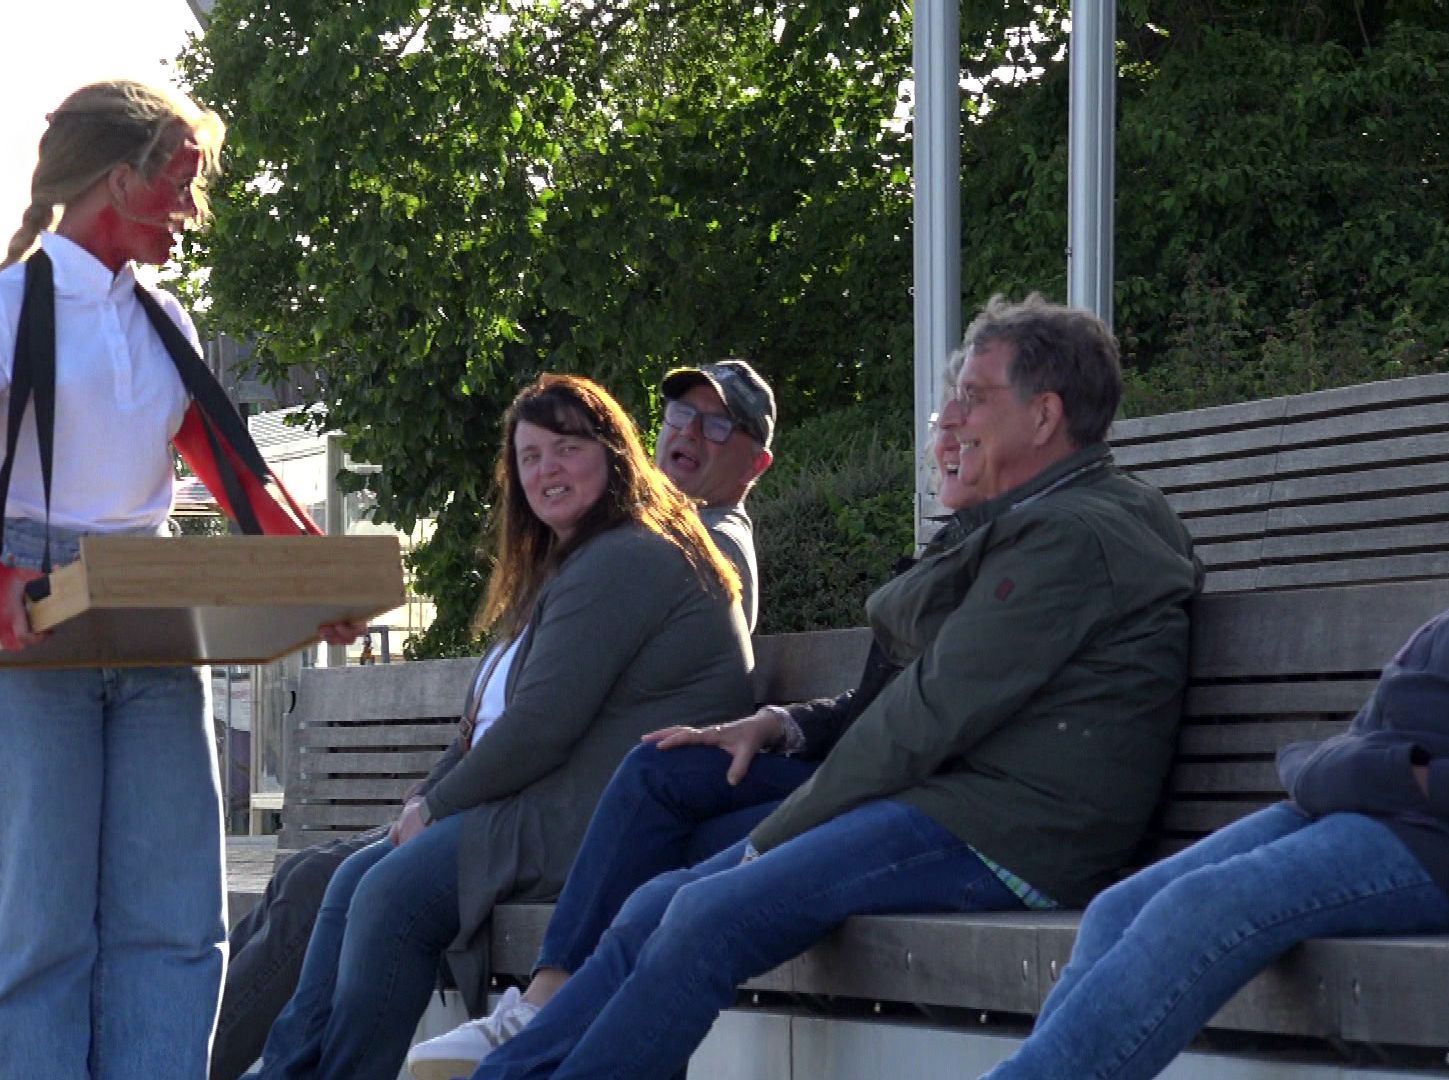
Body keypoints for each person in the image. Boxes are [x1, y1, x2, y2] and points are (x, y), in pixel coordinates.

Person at [456, 294, 1202, 1080]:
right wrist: (786, 730)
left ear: (1044, 415)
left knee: (705, 914)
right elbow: (907, 703)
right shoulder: (1034, 519)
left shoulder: (1074, 537)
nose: (947, 418)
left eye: (972, 398)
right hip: (954, 799)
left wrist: (773, 839)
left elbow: (923, 717)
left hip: (1014, 834)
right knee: (656, 905)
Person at [0, 79, 358, 1080]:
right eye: (180, 184)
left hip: (154, 616)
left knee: (176, 923)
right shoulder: (2, 306)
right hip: (30, 619)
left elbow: (237, 477)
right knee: (44, 939)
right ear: (120, 179)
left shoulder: (167, 322)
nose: (191, 212)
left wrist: (316, 575)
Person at [209, 361, 779, 1080]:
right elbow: (489, 727)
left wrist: (439, 804)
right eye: (530, 456)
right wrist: (425, 802)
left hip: (610, 823)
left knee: (386, 892)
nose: (547, 471)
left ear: (613, 451)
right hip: (560, 801)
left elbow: (541, 724)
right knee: (350, 877)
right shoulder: (586, 559)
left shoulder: (634, 554)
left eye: (568, 449)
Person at [981, 601, 1449, 1080]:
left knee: (1200, 906)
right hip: (1360, 801)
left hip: (1440, 839)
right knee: (1117, 909)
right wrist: (1343, 769)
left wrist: (1407, 776)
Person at [654, 360, 775, 630]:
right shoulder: (653, 527)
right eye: (683, 412)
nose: (689, 431)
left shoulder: (712, 545)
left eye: (718, 426)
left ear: (755, 465)